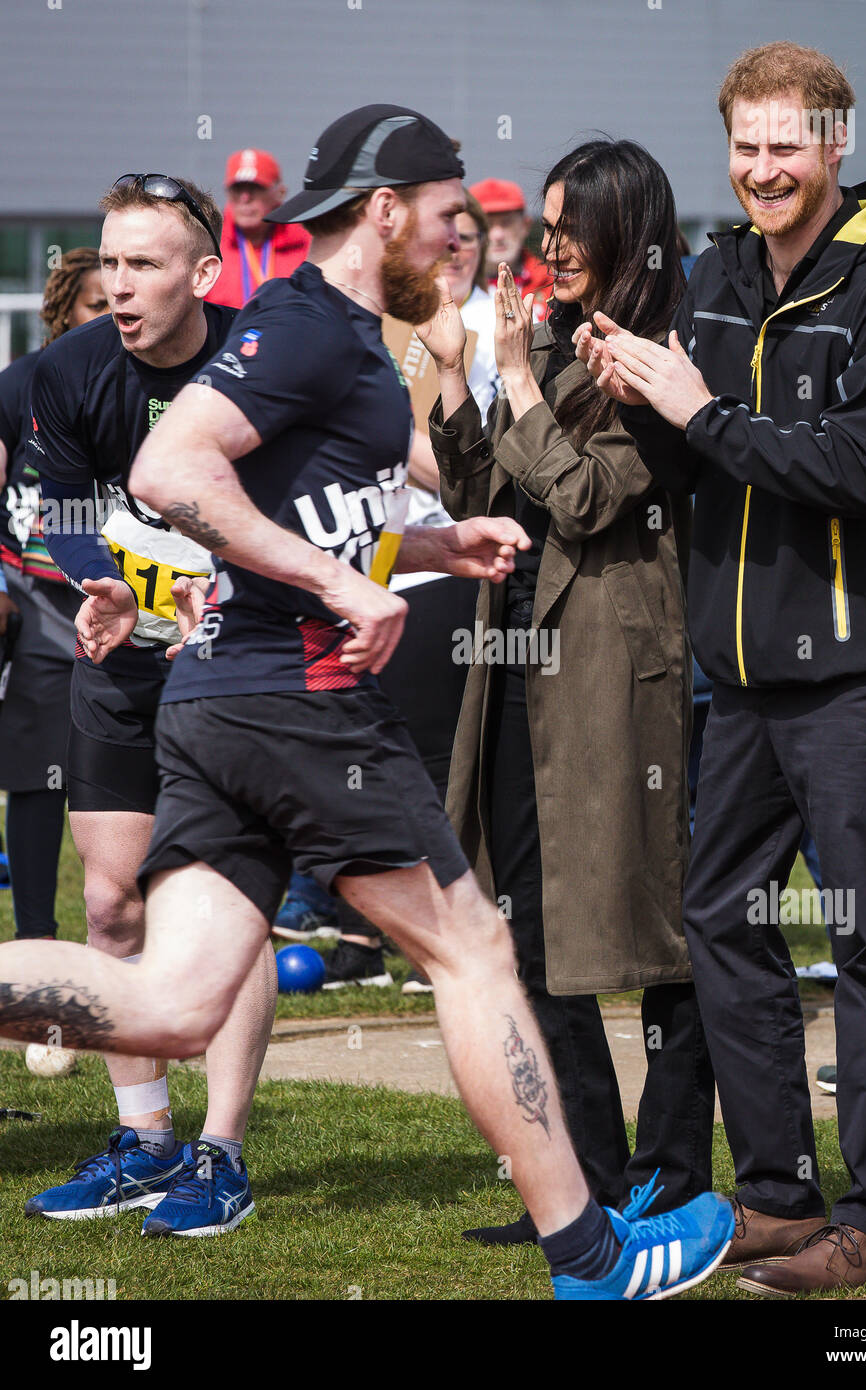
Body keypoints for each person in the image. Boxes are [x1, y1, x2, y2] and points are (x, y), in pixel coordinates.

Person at [0, 104, 734, 1301]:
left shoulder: (330, 332)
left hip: (225, 697)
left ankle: (589, 1246)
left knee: (173, 1003)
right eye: (451, 219)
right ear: (384, 211)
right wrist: (341, 582)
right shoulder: (310, 324)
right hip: (302, 701)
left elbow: (311, 507)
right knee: (478, 947)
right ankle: (592, 1256)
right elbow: (168, 470)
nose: (464, 245)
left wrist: (438, 543)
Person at [578, 41, 866, 1294]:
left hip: (857, 679)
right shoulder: (715, 275)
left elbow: (863, 470)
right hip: (734, 683)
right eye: (744, 145)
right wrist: (637, 400)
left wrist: (698, 412)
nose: (762, 168)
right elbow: (698, 471)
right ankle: (780, 1196)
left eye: (787, 145)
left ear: (834, 145)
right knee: (721, 928)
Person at [422, 139, 712, 1243]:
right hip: (516, 662)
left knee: (652, 929)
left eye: (568, 226)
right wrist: (459, 372)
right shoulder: (541, 335)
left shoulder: (667, 351)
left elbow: (591, 498)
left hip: (612, 675)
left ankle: (674, 1169)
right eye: (544, 226)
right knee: (528, 925)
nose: (549, 248)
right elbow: (478, 486)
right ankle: (580, 1181)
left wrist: (526, 384)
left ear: (624, 228)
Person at [25, 175, 277, 1236]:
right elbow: (64, 509)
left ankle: (221, 1155)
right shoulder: (70, 370)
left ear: (204, 275)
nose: (119, 286)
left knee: (226, 905)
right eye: (110, 263)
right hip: (121, 666)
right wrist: (104, 585)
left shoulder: (264, 360)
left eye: (144, 265)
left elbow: (304, 507)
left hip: (243, 670)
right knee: (114, 906)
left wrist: (228, 582)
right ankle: (145, 1141)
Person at [315, 189, 498, 993]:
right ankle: (363, 937)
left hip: (441, 568)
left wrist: (405, 446)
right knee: (357, 753)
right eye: (443, 238)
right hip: (362, 568)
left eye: (468, 240)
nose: (453, 251)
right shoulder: (375, 322)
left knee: (430, 759)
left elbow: (469, 473)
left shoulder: (487, 325)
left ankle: (440, 936)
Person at [0, 248, 108, 944]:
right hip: (39, 607)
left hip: (130, 611)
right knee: (37, 782)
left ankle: (131, 948)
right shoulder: (22, 384)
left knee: (120, 782)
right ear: (65, 309)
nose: (112, 313)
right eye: (97, 303)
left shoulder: (149, 385)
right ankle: (36, 944)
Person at [206, 148, 310, 310]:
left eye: (255, 189)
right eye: (237, 189)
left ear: (280, 193)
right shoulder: (210, 244)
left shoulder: (306, 244)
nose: (245, 198)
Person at [470, 178, 552, 322]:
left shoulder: (554, 283)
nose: (497, 235)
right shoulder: (451, 286)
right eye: (487, 224)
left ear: (525, 225)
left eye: (507, 223)